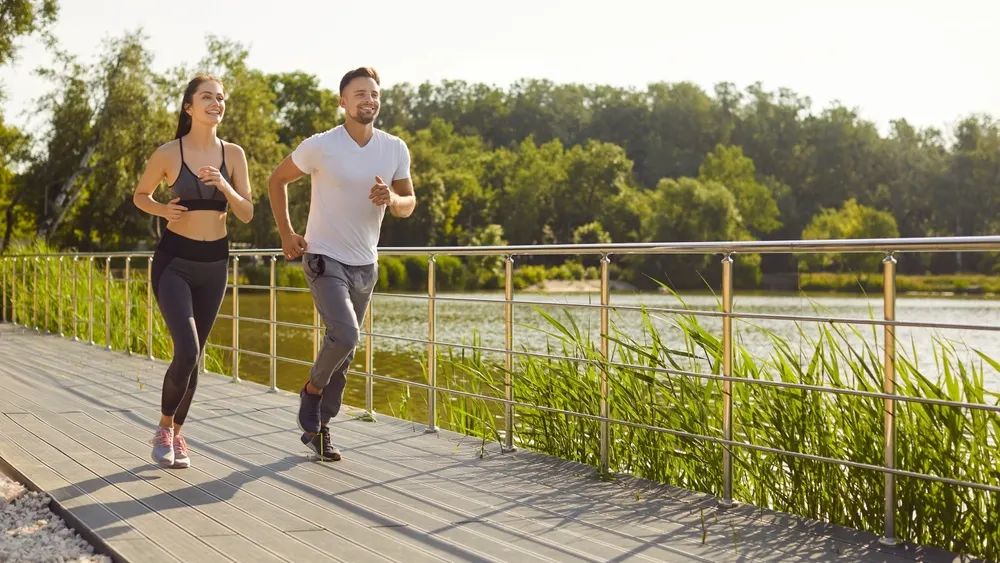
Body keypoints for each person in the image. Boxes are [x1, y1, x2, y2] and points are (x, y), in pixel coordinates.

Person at [267, 66, 415, 461]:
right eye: (360, 94)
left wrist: (392, 200)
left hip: (366, 263)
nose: (369, 100)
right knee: (346, 335)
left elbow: (408, 204)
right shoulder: (321, 145)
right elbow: (276, 180)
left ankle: (320, 429)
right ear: (343, 102)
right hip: (323, 257)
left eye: (374, 94)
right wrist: (286, 232)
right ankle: (312, 391)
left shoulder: (394, 148)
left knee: (345, 356)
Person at [132, 74, 254, 468]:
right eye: (207, 97)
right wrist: (162, 209)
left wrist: (225, 186)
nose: (216, 103)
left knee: (196, 354)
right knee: (186, 348)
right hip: (174, 262)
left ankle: (178, 436)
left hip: (215, 264)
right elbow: (140, 195)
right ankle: (164, 428)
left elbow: (247, 213)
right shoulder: (169, 152)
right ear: (189, 106)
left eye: (220, 98)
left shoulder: (233, 154)